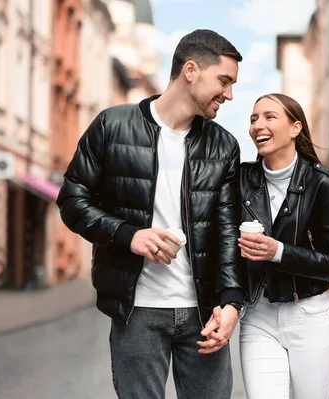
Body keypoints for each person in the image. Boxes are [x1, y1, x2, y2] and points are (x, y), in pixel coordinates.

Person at [56, 29, 246, 399]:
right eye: (224, 81)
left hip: (203, 312)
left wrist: (232, 303)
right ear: (190, 70)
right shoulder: (113, 126)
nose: (230, 94)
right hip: (137, 312)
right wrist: (129, 234)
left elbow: (227, 232)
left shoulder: (224, 145)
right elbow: (72, 200)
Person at [237, 93, 329, 398]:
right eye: (253, 118)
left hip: (310, 317)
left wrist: (279, 252)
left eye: (269, 117)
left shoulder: (322, 182)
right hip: (258, 317)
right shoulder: (240, 180)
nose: (258, 125)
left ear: (295, 127)